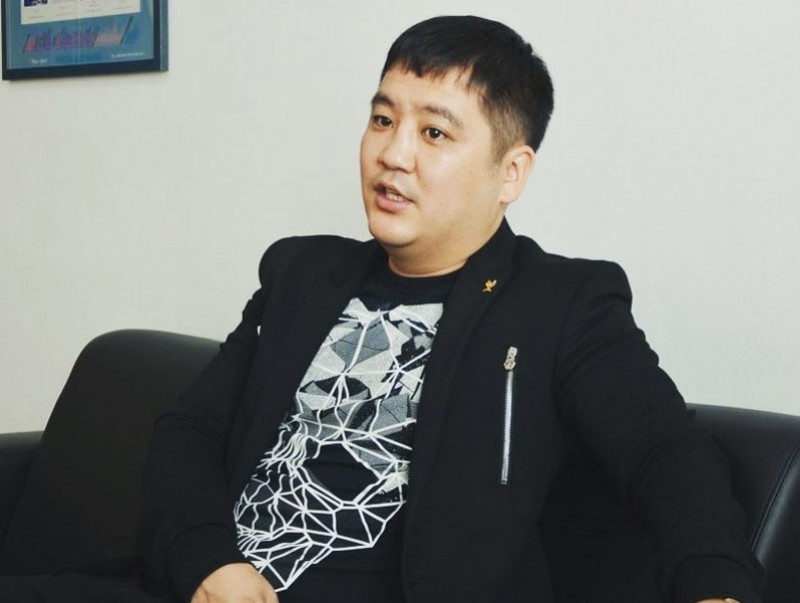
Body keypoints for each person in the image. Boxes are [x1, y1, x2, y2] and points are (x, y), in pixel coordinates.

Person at [137, 15, 763, 603]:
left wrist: (716, 586)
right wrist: (208, 561)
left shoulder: (562, 305)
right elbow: (190, 428)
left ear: (510, 173)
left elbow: (665, 452)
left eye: (434, 133)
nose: (393, 154)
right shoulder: (300, 274)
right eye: (383, 120)